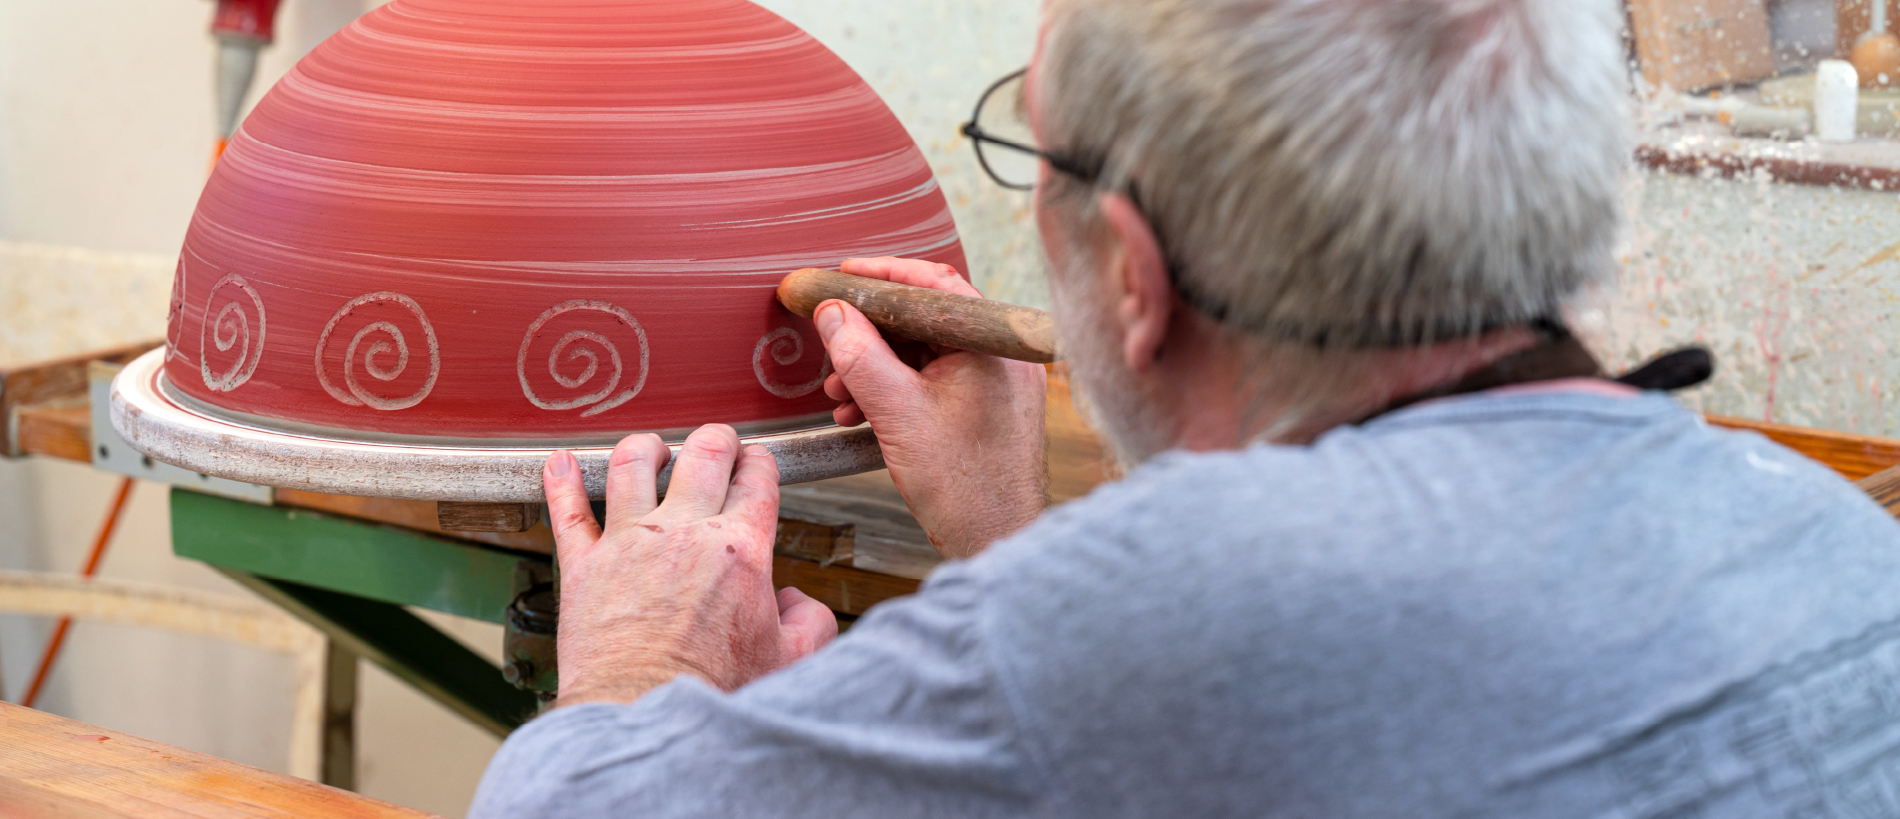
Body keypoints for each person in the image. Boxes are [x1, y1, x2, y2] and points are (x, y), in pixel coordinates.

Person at [471, 0, 1900, 816]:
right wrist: (1009, 536)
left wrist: (637, 672)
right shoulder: (1831, 544)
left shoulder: (1160, 614)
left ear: (1140, 280)